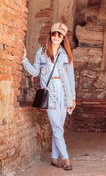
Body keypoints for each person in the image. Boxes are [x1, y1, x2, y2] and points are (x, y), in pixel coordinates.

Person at [22, 22, 76, 171]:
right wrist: (24, 59)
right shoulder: (41, 52)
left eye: (60, 35)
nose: (56, 37)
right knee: (57, 127)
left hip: (64, 93)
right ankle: (66, 159)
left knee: (59, 128)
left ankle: (53, 157)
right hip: (50, 93)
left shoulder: (66, 54)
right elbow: (35, 72)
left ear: (63, 37)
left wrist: (72, 98)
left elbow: (71, 78)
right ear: (50, 35)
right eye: (54, 34)